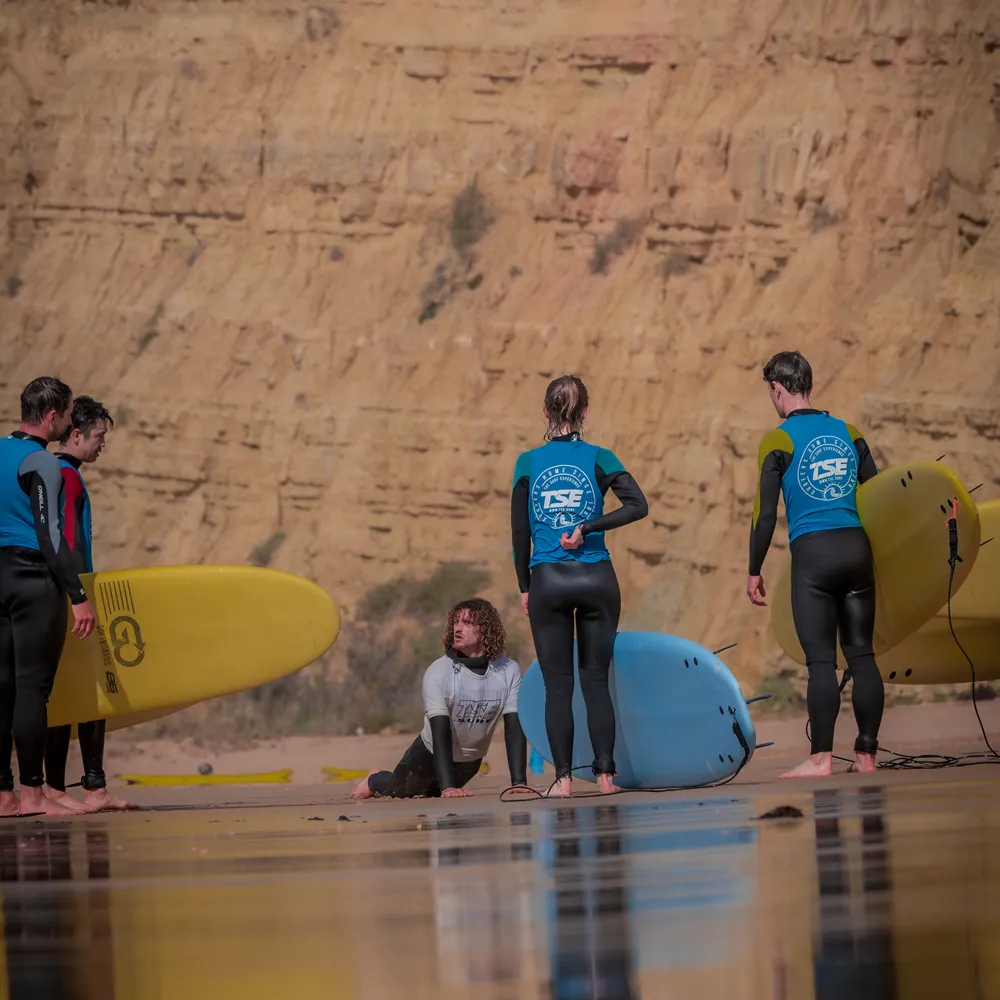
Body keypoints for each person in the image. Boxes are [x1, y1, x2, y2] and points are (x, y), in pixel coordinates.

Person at [746, 351, 883, 779]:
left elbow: (764, 516)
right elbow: (879, 495)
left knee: (821, 661)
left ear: (777, 389)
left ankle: (821, 758)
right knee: (862, 654)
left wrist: (754, 569)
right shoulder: (849, 432)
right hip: (856, 549)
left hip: (814, 555)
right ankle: (866, 755)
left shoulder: (777, 440)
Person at [510, 375, 648, 797]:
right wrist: (588, 526)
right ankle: (606, 777)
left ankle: (563, 780)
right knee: (595, 681)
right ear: (585, 412)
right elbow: (638, 506)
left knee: (557, 686)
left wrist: (525, 586)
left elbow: (519, 533)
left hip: (548, 578)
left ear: (545, 412)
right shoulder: (600, 457)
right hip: (597, 578)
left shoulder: (527, 462)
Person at [0, 377, 97, 817]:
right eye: (68, 414)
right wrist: (77, 594)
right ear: (53, 416)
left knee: (2, 688)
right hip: (31, 578)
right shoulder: (41, 462)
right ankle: (33, 793)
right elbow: (51, 536)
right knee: (31, 689)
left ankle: (4, 796)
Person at [42, 396, 132, 813]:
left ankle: (55, 786)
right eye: (98, 437)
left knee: (65, 694)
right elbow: (69, 542)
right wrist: (80, 595)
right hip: (73, 595)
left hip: (58, 593)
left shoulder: (51, 474)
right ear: (75, 435)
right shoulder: (69, 478)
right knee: (93, 691)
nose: (101, 445)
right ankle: (92, 787)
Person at [351, 598, 529, 800]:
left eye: (467, 622)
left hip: (471, 760)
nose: (457, 628)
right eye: (456, 622)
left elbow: (514, 725)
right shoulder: (439, 672)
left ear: (486, 629)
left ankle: (441, 784)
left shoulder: (508, 670)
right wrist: (448, 787)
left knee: (432, 794)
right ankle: (374, 779)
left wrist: (519, 782)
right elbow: (440, 730)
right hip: (428, 755)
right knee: (399, 792)